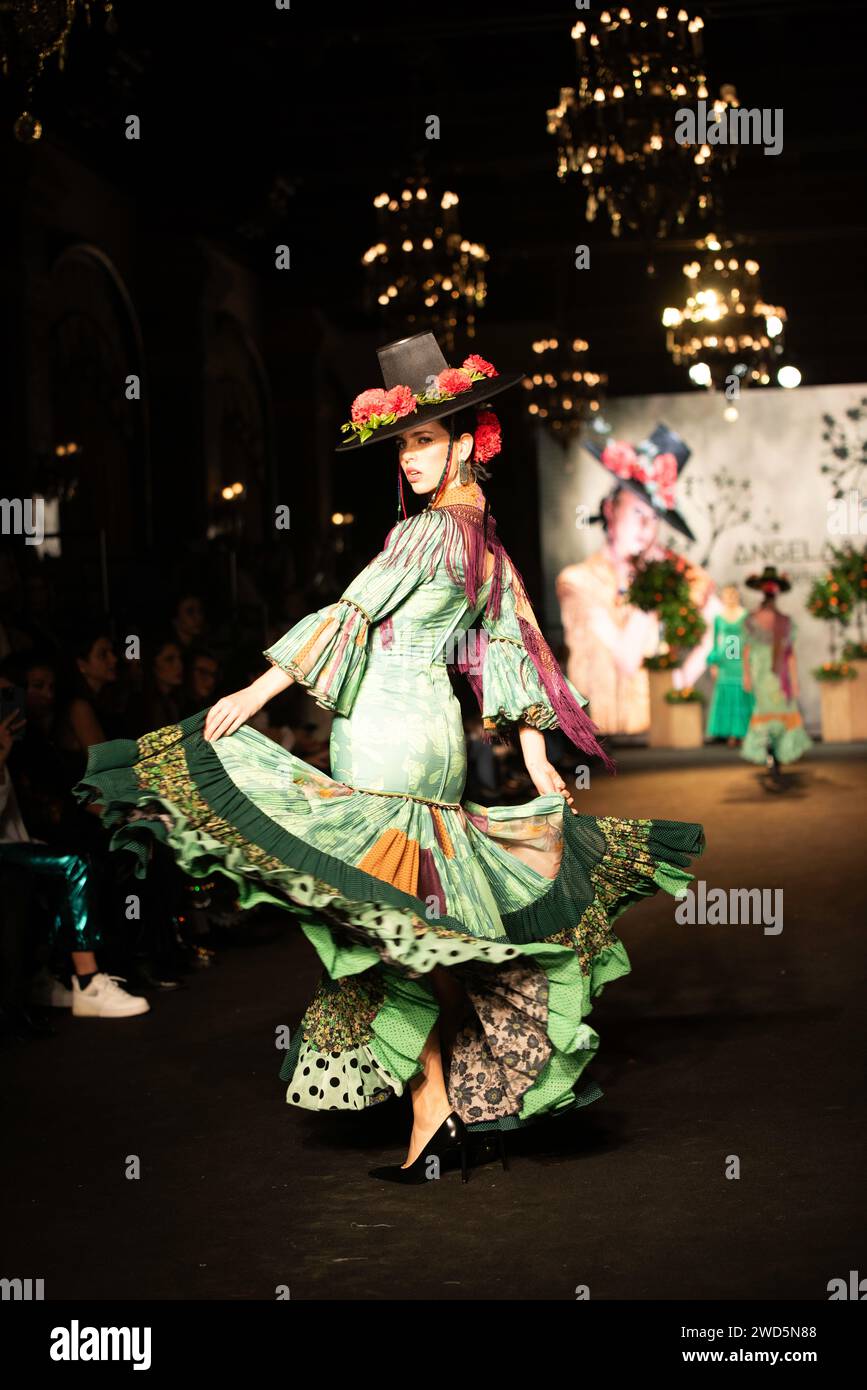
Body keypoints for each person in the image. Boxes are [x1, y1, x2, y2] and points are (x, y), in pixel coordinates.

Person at [74, 332, 705, 1185]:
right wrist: (534, 752)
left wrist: (249, 699)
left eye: (420, 440)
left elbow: (348, 614)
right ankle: (446, 1108)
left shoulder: (425, 537)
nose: (407, 459)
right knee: (411, 927)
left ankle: (435, 1108)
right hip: (431, 742)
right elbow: (512, 644)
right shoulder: (483, 536)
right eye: (400, 444)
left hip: (388, 738)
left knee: (380, 927)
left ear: (462, 439)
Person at [556, 424, 718, 734]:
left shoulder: (671, 572)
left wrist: (680, 681)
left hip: (661, 730)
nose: (647, 528)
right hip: (600, 737)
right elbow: (627, 659)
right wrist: (652, 588)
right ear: (610, 511)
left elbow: (724, 626)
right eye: (637, 513)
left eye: (655, 518)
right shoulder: (578, 581)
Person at [740, 566, 812, 787]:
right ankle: (771, 755)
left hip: (777, 677)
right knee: (767, 716)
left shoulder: (785, 622)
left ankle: (776, 757)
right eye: (768, 588)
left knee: (781, 715)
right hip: (762, 675)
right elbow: (742, 650)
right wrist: (744, 675)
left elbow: (790, 655)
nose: (770, 592)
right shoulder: (749, 621)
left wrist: (794, 681)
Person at [706, 585, 754, 744]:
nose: (730, 598)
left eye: (733, 594)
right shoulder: (719, 617)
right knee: (726, 693)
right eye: (727, 595)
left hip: (741, 659)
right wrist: (713, 664)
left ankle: (743, 732)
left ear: (738, 596)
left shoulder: (745, 615)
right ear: (722, 597)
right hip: (725, 661)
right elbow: (714, 642)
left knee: (742, 693)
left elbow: (750, 638)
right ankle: (730, 733)